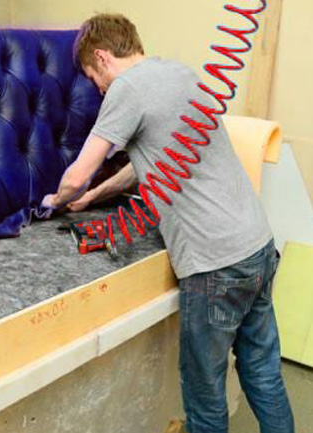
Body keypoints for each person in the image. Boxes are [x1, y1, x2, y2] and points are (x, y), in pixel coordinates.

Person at [42, 13, 295, 433]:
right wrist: (93, 197)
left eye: (92, 76)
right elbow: (154, 162)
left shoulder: (126, 89)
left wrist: (55, 200)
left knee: (204, 395)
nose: (97, 88)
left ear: (102, 57)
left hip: (215, 265)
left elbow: (77, 174)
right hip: (257, 247)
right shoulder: (180, 73)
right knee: (263, 370)